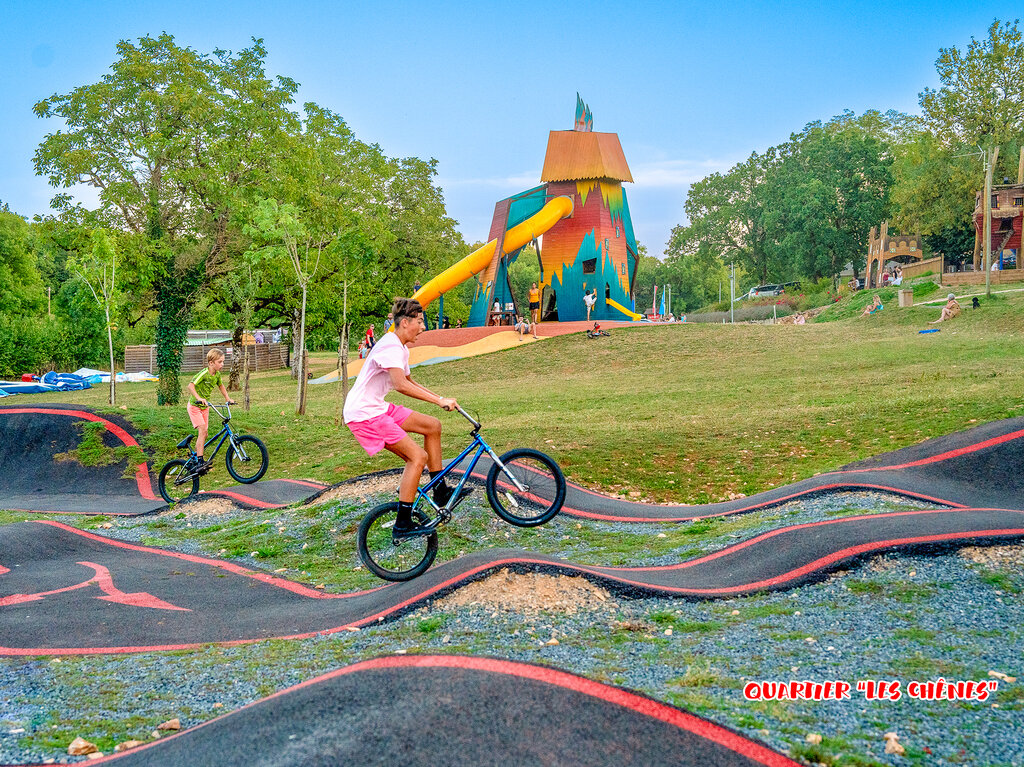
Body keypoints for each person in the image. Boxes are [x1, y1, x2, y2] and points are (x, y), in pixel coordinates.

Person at [343, 297, 468, 537]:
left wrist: (441, 397)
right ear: (404, 323)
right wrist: (438, 401)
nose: (423, 327)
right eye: (420, 322)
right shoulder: (389, 345)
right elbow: (400, 385)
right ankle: (403, 523)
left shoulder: (400, 347)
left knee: (433, 425)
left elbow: (409, 381)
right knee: (417, 457)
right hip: (364, 414)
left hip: (377, 407)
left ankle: (440, 490)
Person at [186, 348, 235, 474]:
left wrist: (227, 398)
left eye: (223, 361)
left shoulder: (217, 375)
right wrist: (199, 398)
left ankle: (196, 458)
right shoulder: (204, 373)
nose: (222, 364)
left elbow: (221, 386)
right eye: (220, 362)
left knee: (205, 433)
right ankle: (200, 461)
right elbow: (190, 386)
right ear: (211, 363)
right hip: (194, 406)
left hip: (205, 407)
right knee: (202, 430)